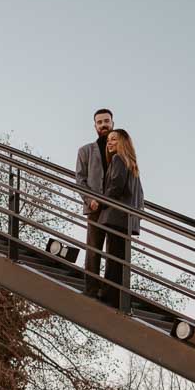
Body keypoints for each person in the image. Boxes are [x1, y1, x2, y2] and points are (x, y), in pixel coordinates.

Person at [96, 128, 144, 307]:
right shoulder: (132, 165)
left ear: (123, 142)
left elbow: (116, 184)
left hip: (115, 216)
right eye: (108, 140)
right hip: (127, 219)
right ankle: (119, 296)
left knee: (113, 257)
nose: (109, 142)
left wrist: (102, 201)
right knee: (120, 259)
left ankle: (109, 294)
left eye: (114, 139)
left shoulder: (118, 159)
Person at [77, 108, 115, 296]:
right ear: (95, 126)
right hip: (95, 208)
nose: (103, 125)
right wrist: (90, 199)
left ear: (112, 123)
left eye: (106, 121)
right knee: (93, 249)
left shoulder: (120, 150)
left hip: (116, 208)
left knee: (114, 252)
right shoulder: (85, 151)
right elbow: (80, 179)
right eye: (99, 122)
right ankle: (91, 288)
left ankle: (109, 291)